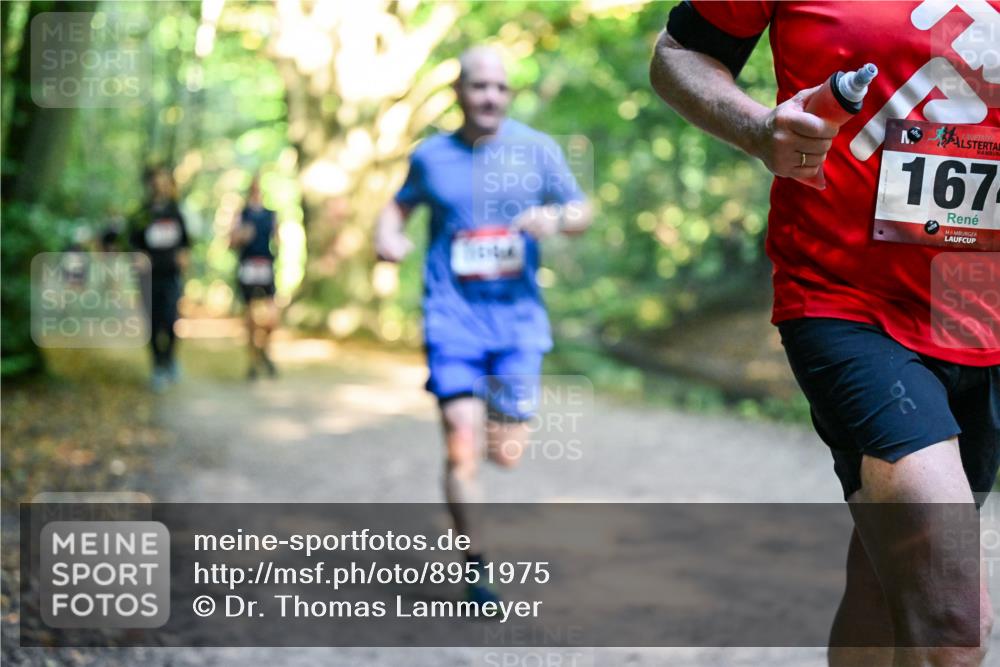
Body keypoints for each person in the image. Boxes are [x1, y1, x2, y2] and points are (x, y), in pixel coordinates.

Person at [650, 2, 999, 665]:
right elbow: (678, 55)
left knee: (888, 577)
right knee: (953, 622)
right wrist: (757, 129)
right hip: (846, 300)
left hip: (982, 316)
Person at [374, 46, 592, 604]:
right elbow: (397, 207)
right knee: (462, 448)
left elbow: (580, 210)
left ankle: (504, 440)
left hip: (518, 325)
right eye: (478, 87)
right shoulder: (431, 158)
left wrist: (556, 217)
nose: (490, 96)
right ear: (458, 94)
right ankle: (475, 566)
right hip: (452, 321)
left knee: (507, 451)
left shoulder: (537, 150)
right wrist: (387, 236)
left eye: (499, 87)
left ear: (508, 94)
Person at [129, 166, 190, 393]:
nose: (159, 185)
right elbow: (132, 243)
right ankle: (157, 367)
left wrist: (184, 256)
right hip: (148, 277)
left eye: (163, 180)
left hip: (171, 275)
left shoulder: (176, 212)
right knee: (152, 323)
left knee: (170, 319)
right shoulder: (141, 214)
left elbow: (185, 242)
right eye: (155, 181)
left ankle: (169, 359)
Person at [230, 174, 280, 380]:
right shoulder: (241, 214)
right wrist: (241, 236)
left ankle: (265, 351)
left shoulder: (271, 215)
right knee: (250, 316)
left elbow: (278, 240)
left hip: (266, 265)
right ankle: (252, 360)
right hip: (248, 265)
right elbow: (231, 241)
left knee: (272, 317)